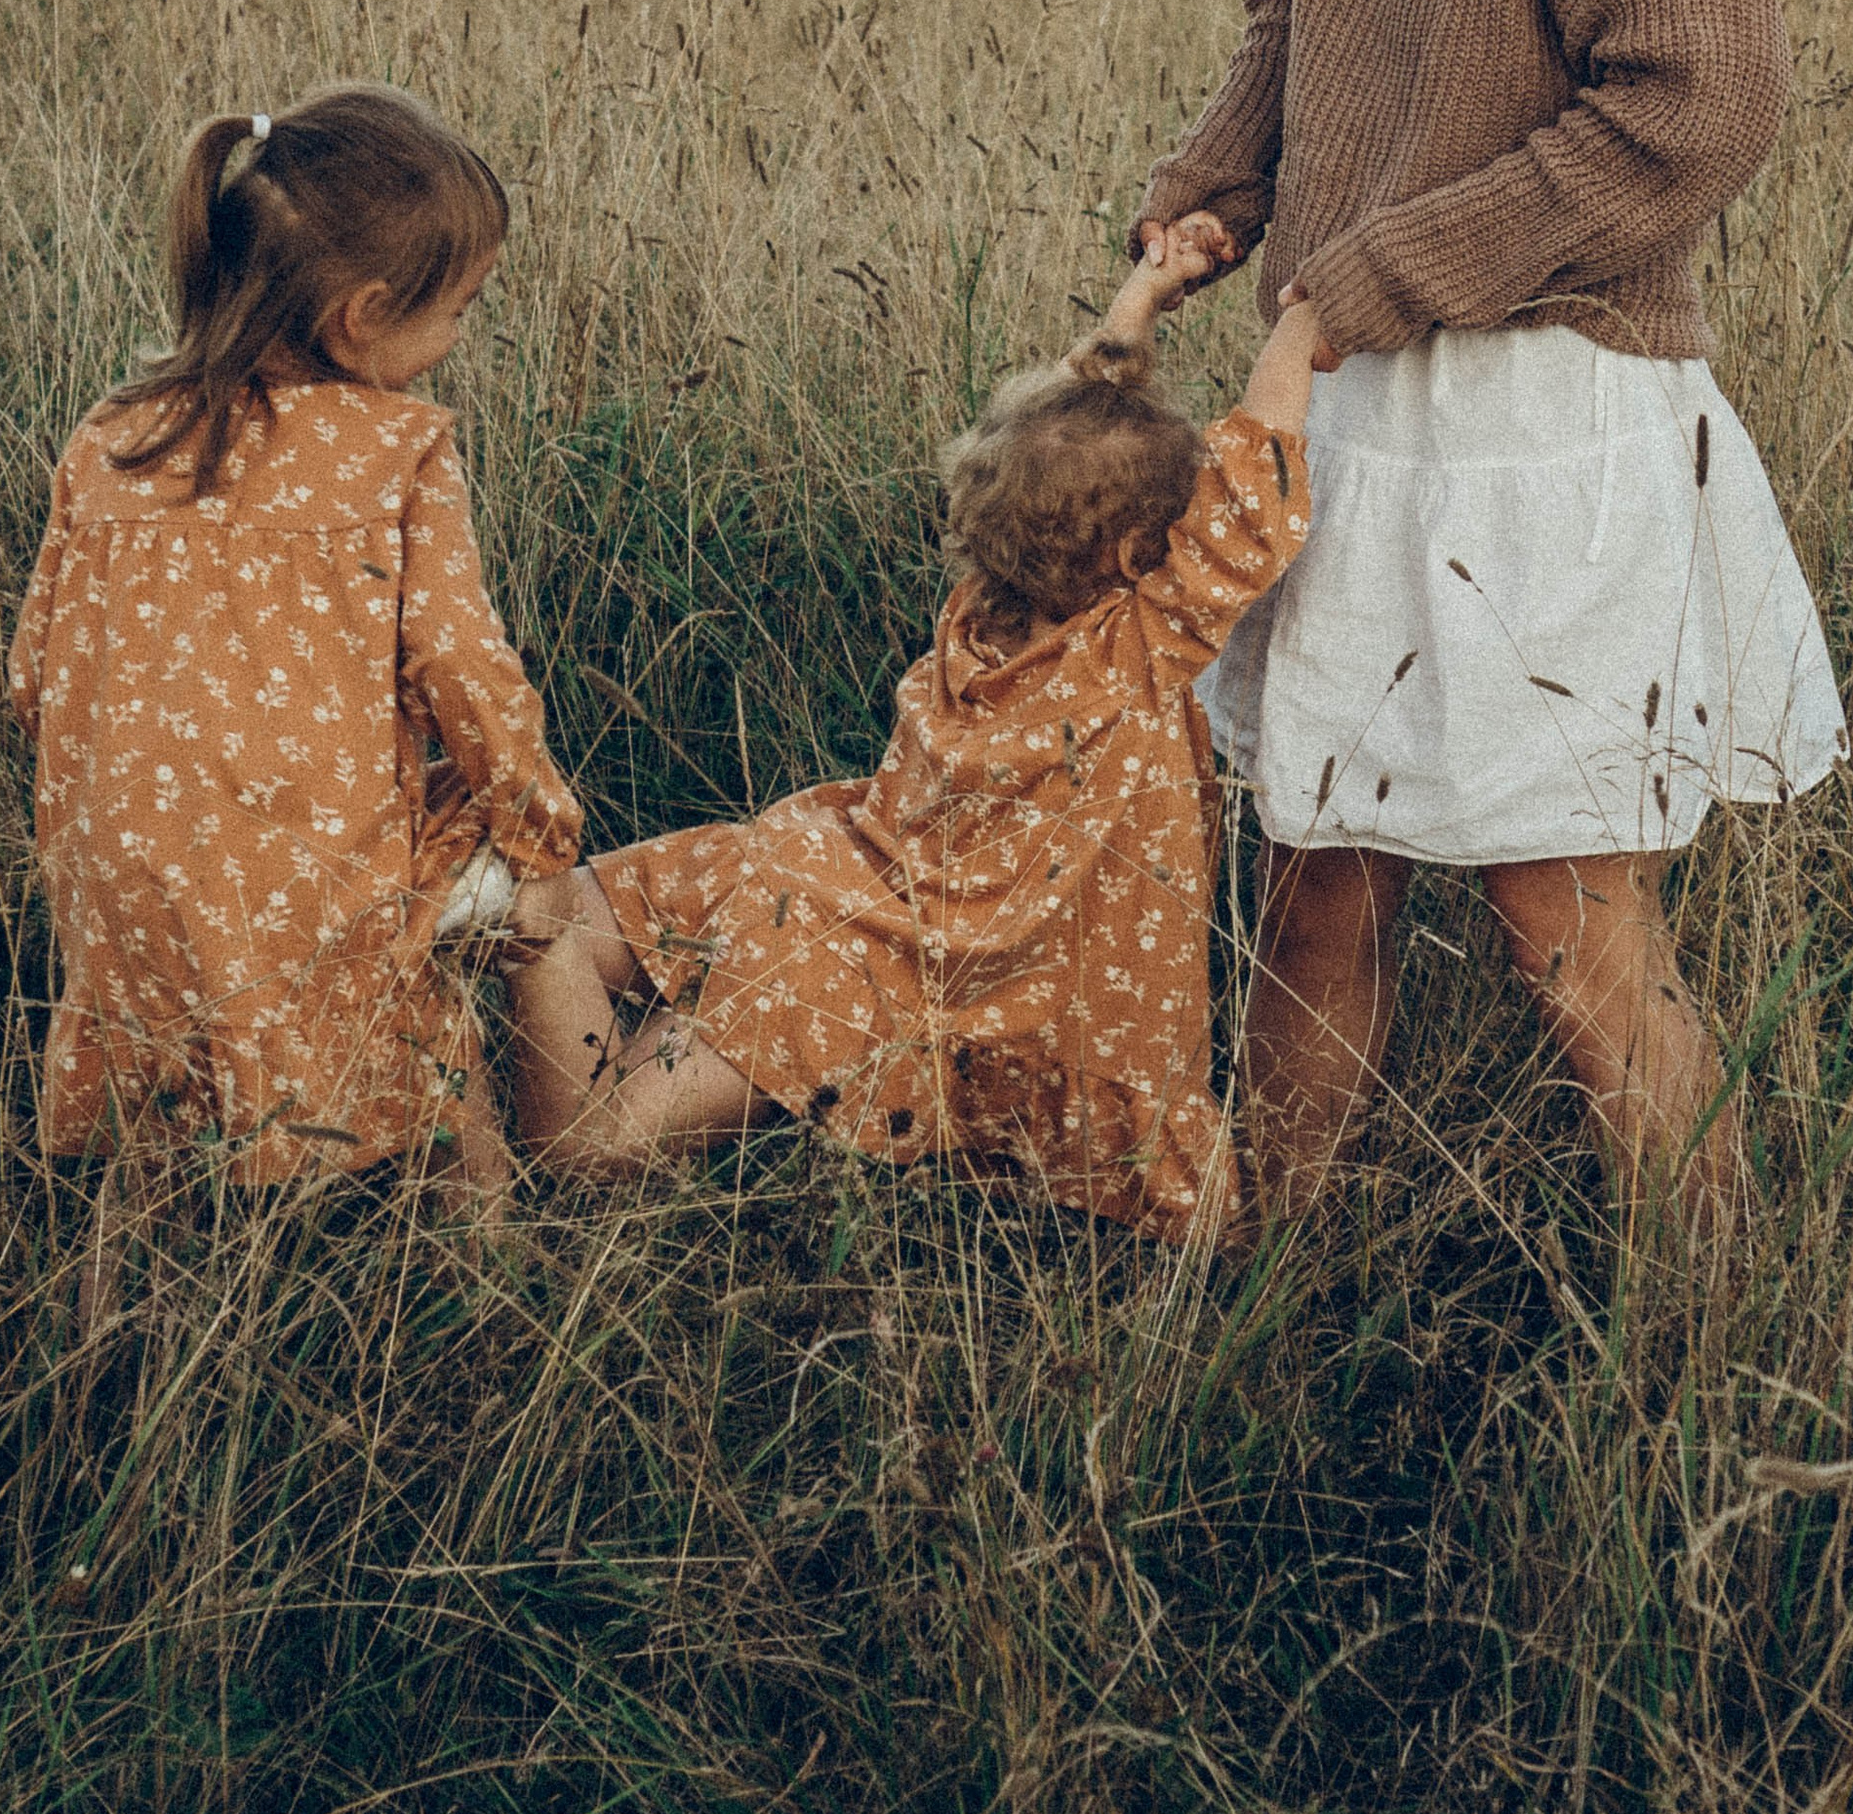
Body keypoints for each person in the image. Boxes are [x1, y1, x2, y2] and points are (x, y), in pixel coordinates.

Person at [1133, 0, 1845, 1238]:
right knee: (1311, 879)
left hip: (1544, 424)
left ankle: (1722, 1320)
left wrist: (1360, 279)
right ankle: (1266, 1297)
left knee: (1567, 931)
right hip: (1357, 417)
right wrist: (1222, 181)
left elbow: (1700, 99)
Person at [502, 248, 1319, 1241]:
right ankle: (520, 922)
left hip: (814, 872)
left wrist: (1138, 301)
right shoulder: (1127, 656)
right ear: (1136, 558)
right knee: (593, 1144)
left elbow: (1058, 440)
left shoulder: (975, 614)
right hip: (869, 975)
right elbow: (1253, 484)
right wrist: (1304, 321)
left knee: (592, 918)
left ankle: (510, 950)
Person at [9, 83, 579, 1198]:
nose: (462, 335)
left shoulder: (112, 440)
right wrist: (538, 839)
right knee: (425, 932)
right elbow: (468, 675)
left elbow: (34, 674)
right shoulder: (398, 450)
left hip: (119, 871)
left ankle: (130, 1248)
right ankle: (484, 1225)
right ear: (362, 315)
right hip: (313, 881)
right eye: (461, 307)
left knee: (160, 1020)